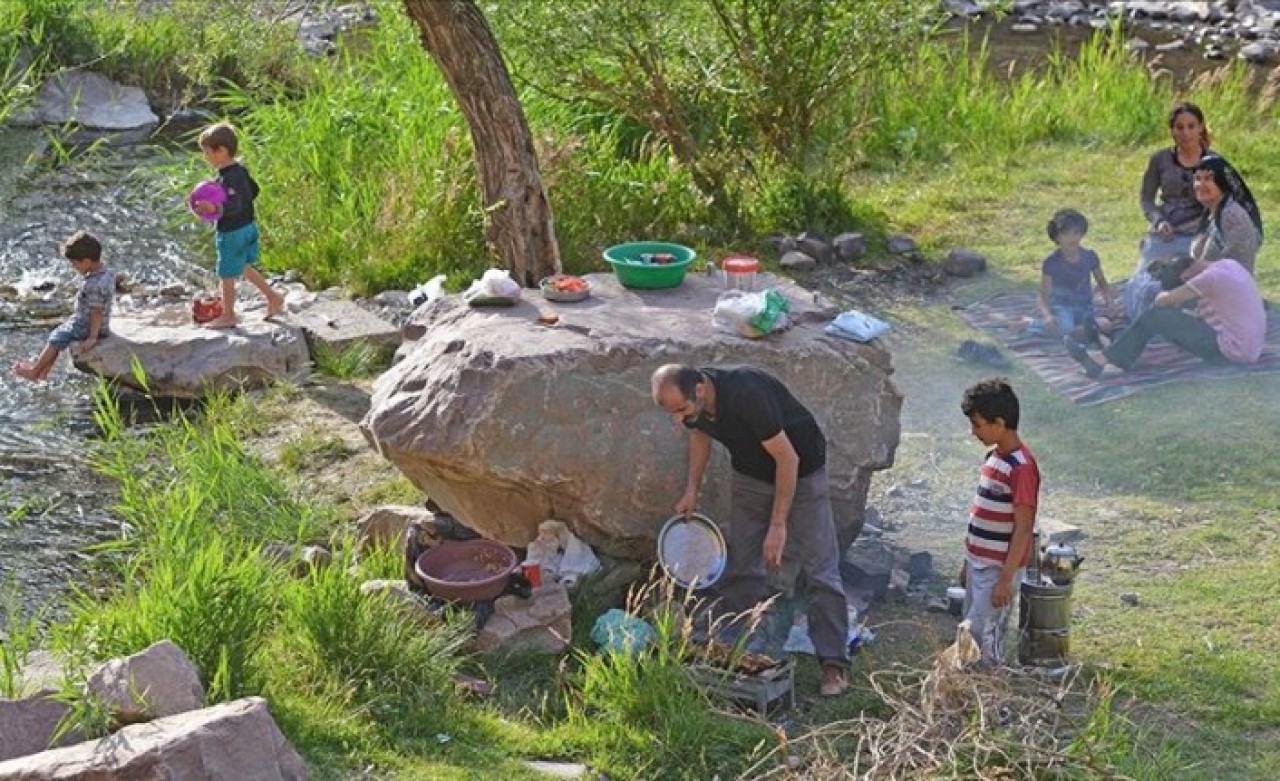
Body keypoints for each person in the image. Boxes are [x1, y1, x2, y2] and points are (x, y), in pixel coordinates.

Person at [651, 363, 849, 697]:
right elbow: (701, 435)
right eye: (672, 413)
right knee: (741, 563)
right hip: (750, 475)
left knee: (821, 568)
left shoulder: (747, 394)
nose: (678, 420)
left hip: (801, 470)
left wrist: (777, 525)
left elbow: (788, 459)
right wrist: (691, 491)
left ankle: (834, 663)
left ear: (699, 390)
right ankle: (738, 646)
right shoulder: (693, 405)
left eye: (681, 410)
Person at [1066, 254, 1265, 378]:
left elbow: (1163, 302)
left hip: (1233, 352)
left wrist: (1164, 295)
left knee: (1156, 316)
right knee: (1169, 318)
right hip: (1248, 346)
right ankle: (1112, 357)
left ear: (1186, 278)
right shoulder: (1228, 264)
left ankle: (1103, 360)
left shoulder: (1208, 279)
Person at [958, 379, 1039, 667]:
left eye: (978, 425)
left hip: (997, 570)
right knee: (970, 629)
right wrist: (968, 561)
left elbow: (1023, 527)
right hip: (979, 564)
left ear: (1000, 423)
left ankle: (989, 693)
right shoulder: (993, 458)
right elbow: (980, 514)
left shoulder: (1022, 468)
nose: (973, 432)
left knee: (986, 638)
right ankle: (968, 687)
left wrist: (1006, 579)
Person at [1126, 102, 1213, 320]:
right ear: (1171, 130)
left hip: (1200, 237)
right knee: (1142, 282)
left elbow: (1224, 203)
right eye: (1179, 127)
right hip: (1166, 233)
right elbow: (1146, 198)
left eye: (1191, 126)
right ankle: (1143, 325)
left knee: (1199, 281)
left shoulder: (1214, 162)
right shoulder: (1160, 160)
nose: (1185, 133)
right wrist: (1158, 221)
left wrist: (1205, 231)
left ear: (1201, 128)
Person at [194, 122, 284, 329]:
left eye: (208, 153)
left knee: (226, 273)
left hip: (232, 231)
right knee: (242, 266)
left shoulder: (228, 178)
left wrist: (214, 208)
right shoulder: (240, 171)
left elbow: (233, 205)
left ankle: (228, 315)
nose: (205, 157)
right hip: (248, 227)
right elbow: (254, 190)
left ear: (222, 151)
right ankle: (273, 297)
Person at [13, 231, 114, 382]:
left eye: (74, 264)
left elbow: (96, 311)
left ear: (86, 261)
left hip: (86, 325)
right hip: (93, 322)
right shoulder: (106, 272)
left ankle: (35, 372)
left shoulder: (93, 284)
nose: (74, 268)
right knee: (59, 337)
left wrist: (92, 337)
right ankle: (43, 371)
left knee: (56, 338)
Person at [1023, 209, 1116, 346]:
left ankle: (1083, 332)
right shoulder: (1052, 263)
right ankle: (1032, 323)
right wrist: (1047, 315)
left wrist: (1110, 302)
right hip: (1062, 308)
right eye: (1066, 234)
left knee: (1107, 325)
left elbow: (1102, 283)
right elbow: (1043, 296)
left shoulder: (1089, 257)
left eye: (1076, 233)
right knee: (1065, 327)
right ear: (1057, 237)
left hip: (1085, 307)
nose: (1072, 238)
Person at [1188, 153, 1263, 272]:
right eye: (1197, 178)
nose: (1200, 185)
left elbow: (1233, 267)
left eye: (1208, 179)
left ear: (1222, 183)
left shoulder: (1232, 216)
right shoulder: (1211, 213)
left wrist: (1192, 268)